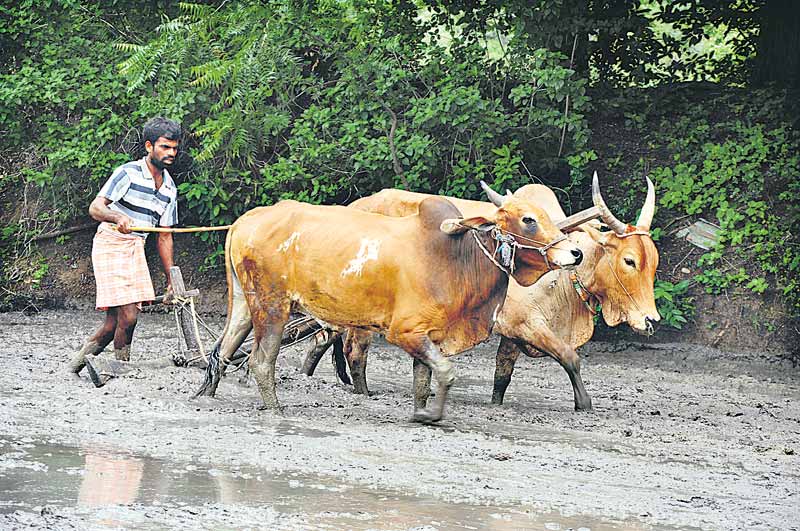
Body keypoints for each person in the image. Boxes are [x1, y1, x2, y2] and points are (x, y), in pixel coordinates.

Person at [68, 117, 181, 376]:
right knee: (129, 316)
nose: (171, 153)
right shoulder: (128, 172)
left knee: (113, 323)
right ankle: (121, 369)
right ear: (149, 146)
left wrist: (170, 277)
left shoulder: (170, 188)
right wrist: (118, 217)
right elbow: (96, 208)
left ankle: (75, 367)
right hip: (111, 242)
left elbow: (165, 236)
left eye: (174, 148)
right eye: (165, 147)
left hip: (135, 247)